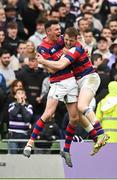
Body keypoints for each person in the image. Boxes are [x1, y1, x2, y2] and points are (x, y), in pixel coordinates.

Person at [23, 21, 105, 168]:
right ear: (48, 32)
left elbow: (75, 42)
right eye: (56, 30)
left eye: (60, 30)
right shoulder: (42, 48)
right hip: (57, 83)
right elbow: (54, 70)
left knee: (74, 118)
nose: (60, 33)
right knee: (48, 114)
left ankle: (67, 150)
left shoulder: (62, 39)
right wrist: (48, 61)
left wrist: (82, 48)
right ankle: (29, 144)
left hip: (72, 82)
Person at [8, 88, 33, 154]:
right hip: (13, 134)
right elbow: (13, 114)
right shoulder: (11, 105)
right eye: (18, 93)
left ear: (25, 96)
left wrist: (22, 106)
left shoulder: (29, 106)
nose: (21, 95)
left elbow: (27, 119)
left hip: (24, 135)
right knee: (13, 156)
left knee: (24, 156)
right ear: (15, 96)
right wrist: (19, 104)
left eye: (22, 93)